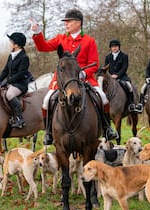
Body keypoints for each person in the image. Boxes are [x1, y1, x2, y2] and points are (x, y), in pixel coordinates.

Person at [31, 8, 117, 145]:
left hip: (84, 78)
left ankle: (107, 128)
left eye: (69, 21)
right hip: (63, 80)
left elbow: (94, 64)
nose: (66, 24)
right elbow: (43, 47)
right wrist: (37, 33)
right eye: (65, 22)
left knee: (103, 98)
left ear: (78, 23)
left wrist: (83, 73)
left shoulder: (89, 41)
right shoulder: (61, 38)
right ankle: (48, 132)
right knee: (47, 101)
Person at [0, 32, 29, 128]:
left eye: (11, 41)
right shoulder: (11, 55)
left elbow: (21, 74)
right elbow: (6, 70)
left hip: (20, 84)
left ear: (17, 44)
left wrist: (8, 81)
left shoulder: (24, 57)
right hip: (11, 83)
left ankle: (20, 119)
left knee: (9, 94)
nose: (10, 43)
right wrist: (0, 79)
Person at [104, 39, 136, 112]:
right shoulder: (108, 57)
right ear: (110, 48)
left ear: (119, 47)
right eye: (112, 47)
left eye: (116, 46)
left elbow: (124, 67)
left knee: (129, 87)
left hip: (122, 76)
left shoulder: (124, 56)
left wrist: (117, 75)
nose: (114, 48)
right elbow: (106, 68)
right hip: (110, 77)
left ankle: (131, 104)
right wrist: (110, 76)